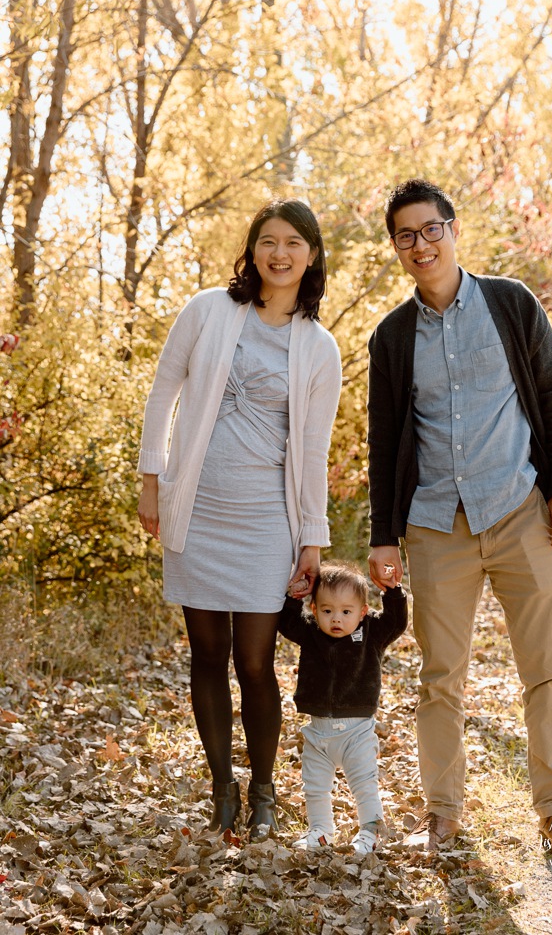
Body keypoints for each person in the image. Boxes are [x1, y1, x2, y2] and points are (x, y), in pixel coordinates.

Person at [366, 178, 552, 861]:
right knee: (441, 678)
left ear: (453, 229)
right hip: (437, 525)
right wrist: (383, 534)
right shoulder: (391, 337)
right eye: (405, 234)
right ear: (395, 248)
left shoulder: (509, 303)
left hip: (519, 510)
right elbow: (383, 441)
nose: (420, 244)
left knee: (545, 671)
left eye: (430, 228)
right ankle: (441, 816)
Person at [137, 199, 342, 841]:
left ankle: (262, 787)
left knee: (255, 663)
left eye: (292, 243)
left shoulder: (318, 347)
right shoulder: (208, 311)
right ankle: (222, 786)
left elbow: (312, 452)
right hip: (196, 512)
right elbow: (162, 392)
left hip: (263, 525)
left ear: (311, 255)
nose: (278, 254)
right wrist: (152, 482)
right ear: (252, 250)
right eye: (267, 241)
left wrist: (313, 538)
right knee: (207, 654)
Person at [279, 561, 407, 853]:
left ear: (362, 612)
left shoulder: (372, 631)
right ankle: (320, 831)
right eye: (327, 610)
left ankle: (371, 832)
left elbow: (397, 622)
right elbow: (286, 624)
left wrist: (392, 591)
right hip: (318, 732)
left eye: (346, 611)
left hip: (356, 732)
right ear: (315, 610)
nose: (336, 618)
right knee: (314, 786)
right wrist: (294, 597)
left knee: (364, 784)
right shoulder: (311, 631)